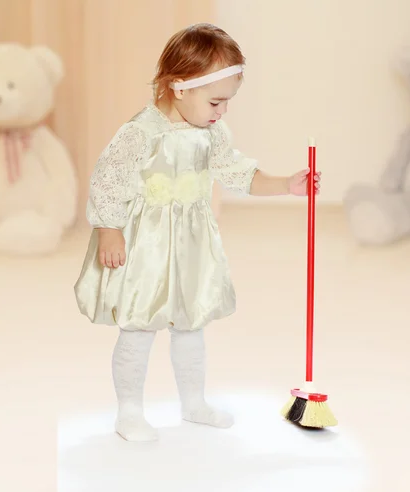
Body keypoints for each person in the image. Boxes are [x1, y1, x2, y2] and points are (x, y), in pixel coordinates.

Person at [74, 23, 321, 442]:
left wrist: (286, 184)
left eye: (227, 102)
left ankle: (193, 401)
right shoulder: (141, 132)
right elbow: (109, 180)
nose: (222, 111)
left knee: (190, 325)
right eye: (216, 101)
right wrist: (109, 230)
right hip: (147, 246)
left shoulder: (212, 133)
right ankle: (129, 410)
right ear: (179, 87)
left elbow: (238, 172)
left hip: (190, 246)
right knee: (139, 326)